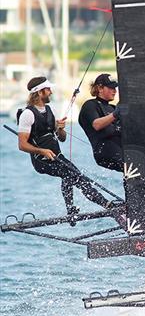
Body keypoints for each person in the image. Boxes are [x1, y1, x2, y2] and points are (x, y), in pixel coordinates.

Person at [17, 76, 112, 217]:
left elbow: (62, 139)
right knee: (69, 174)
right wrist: (41, 151)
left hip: (57, 156)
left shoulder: (50, 110)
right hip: (41, 161)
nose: (51, 92)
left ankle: (101, 205)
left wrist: (60, 129)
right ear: (39, 92)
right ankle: (93, 206)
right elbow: (22, 145)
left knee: (80, 177)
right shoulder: (27, 114)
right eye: (48, 89)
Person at [78, 73, 123, 172]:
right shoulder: (90, 105)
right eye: (111, 88)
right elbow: (96, 125)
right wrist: (115, 114)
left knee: (139, 162)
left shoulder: (112, 108)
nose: (115, 91)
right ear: (100, 88)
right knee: (129, 164)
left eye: (115, 88)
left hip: (119, 148)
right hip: (104, 150)